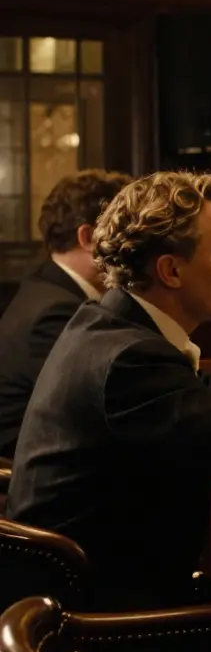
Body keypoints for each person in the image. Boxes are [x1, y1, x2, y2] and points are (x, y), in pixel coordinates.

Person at [7, 171, 211, 611]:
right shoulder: (129, 362)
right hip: (108, 634)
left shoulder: (108, 325)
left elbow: (203, 386)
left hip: (93, 608)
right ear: (171, 270)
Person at [0, 170, 131, 458]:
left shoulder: (46, 289)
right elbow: (102, 409)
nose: (132, 248)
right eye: (123, 233)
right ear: (87, 237)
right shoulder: (57, 311)